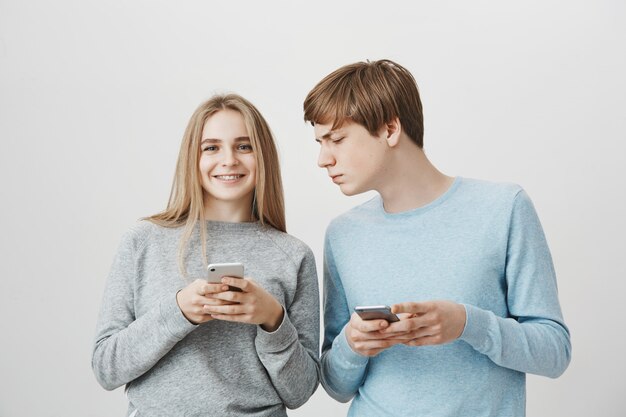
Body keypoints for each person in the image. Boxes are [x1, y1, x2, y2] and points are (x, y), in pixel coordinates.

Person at [303, 59, 571, 416]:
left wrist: (467, 324)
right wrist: (353, 344)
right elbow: (336, 386)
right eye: (320, 142)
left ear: (390, 129)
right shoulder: (343, 234)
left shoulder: (503, 208)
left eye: (336, 139)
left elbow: (555, 353)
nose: (323, 159)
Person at [92, 94, 320, 416]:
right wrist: (178, 311)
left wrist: (272, 319)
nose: (228, 160)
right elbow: (106, 368)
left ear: (263, 155)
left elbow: (300, 391)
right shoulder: (143, 242)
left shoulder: (294, 256)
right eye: (211, 147)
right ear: (192, 158)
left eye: (244, 146)